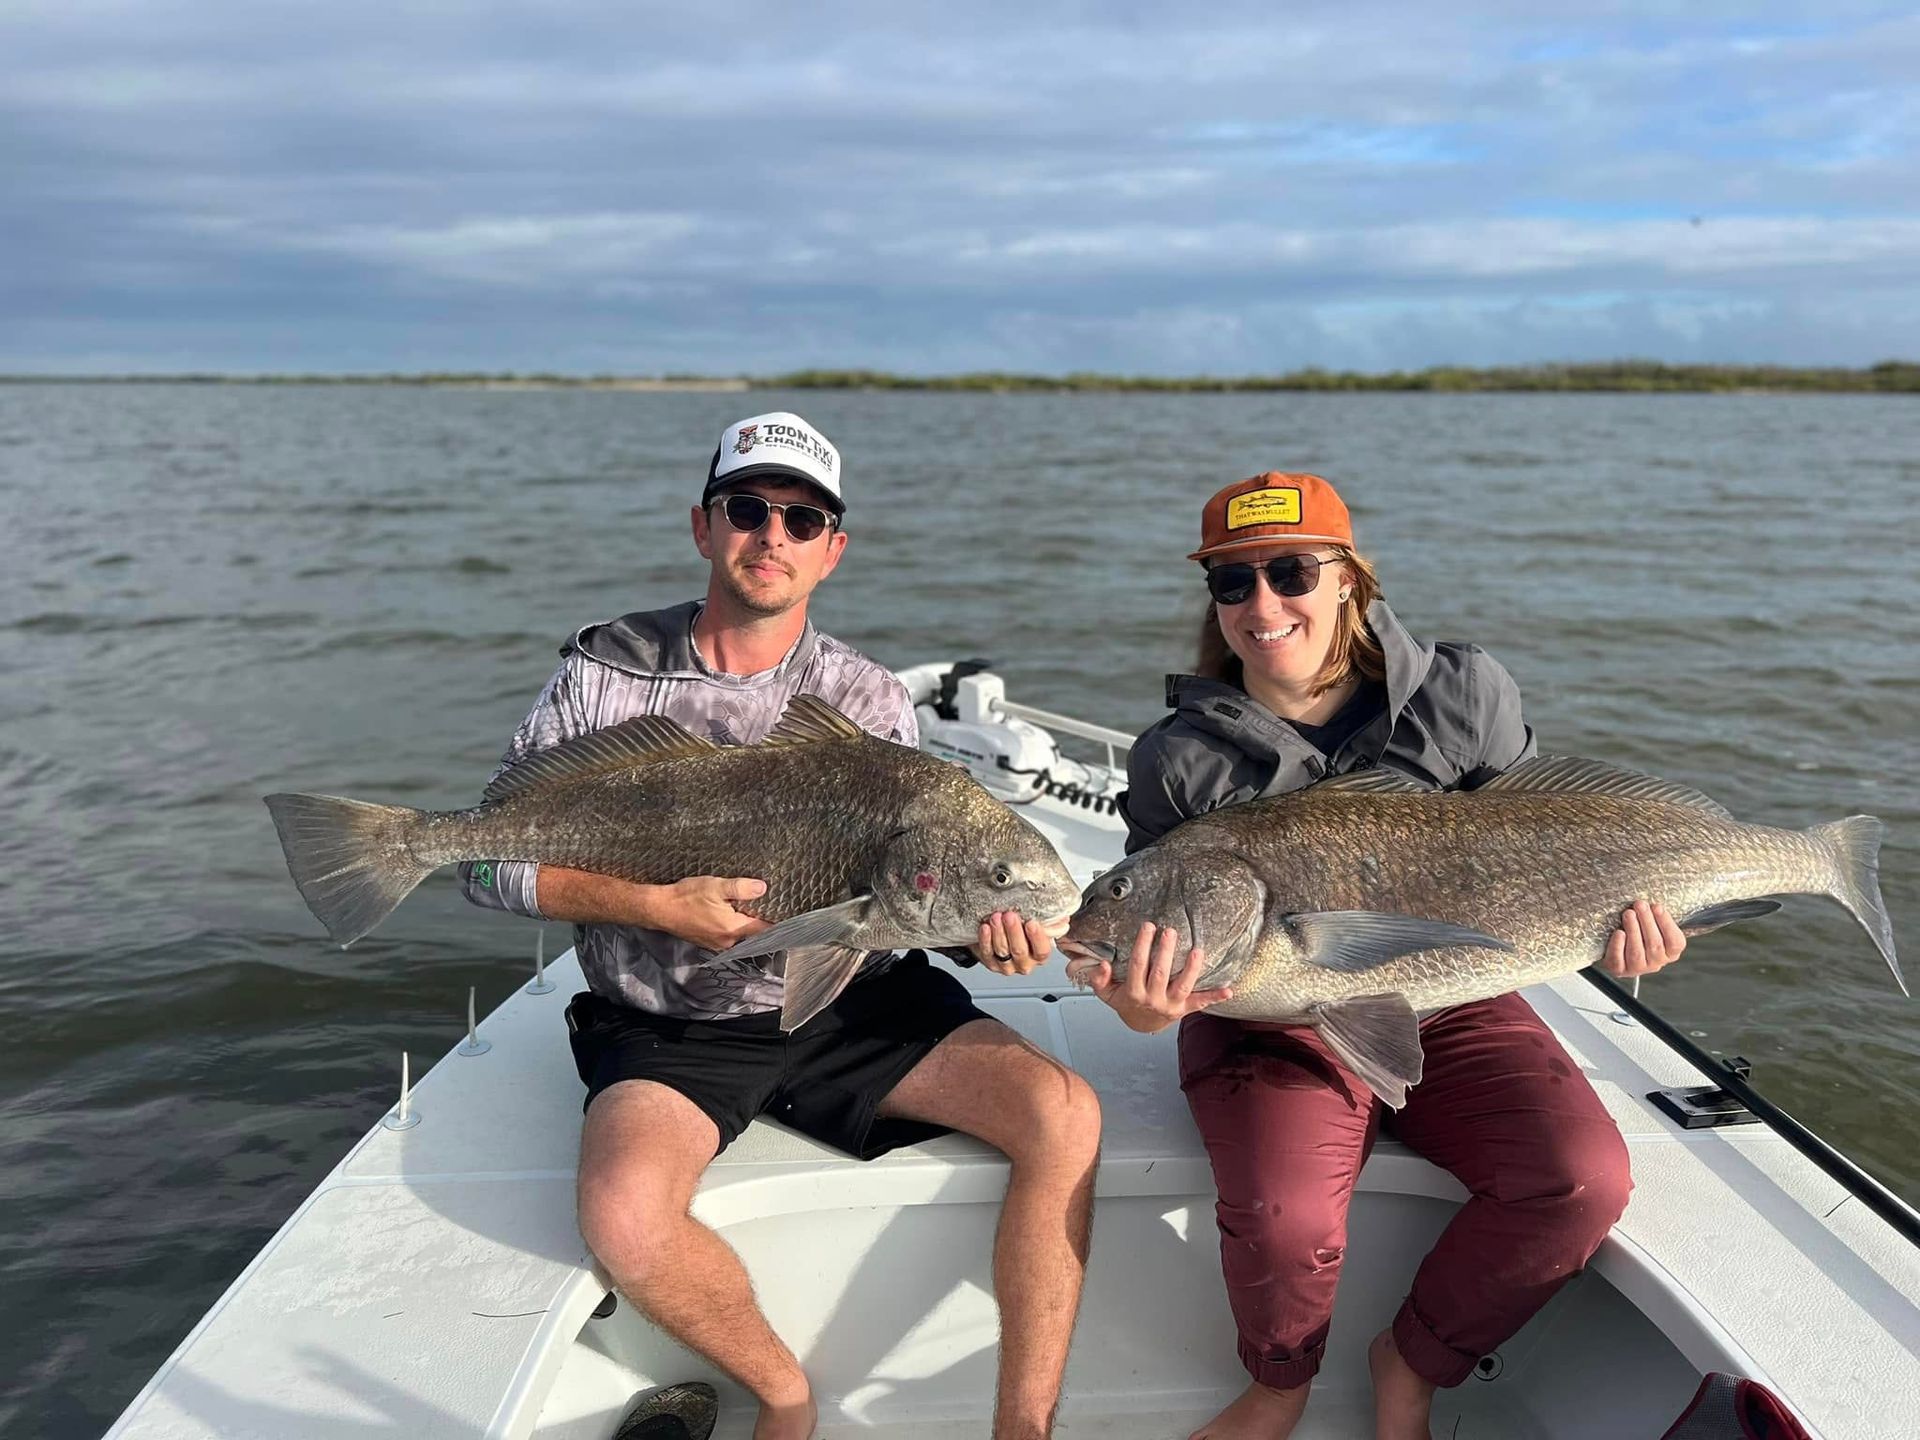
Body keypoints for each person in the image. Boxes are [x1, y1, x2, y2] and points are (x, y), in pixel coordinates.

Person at [461, 412, 1100, 1440]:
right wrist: (651, 906)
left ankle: (1022, 1429)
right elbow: (483, 862)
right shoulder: (603, 673)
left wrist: (986, 930)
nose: (773, 534)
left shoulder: (866, 697)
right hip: (672, 1026)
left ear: (831, 549)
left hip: (851, 997)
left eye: (802, 518)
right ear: (704, 526)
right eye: (748, 509)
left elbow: (913, 892)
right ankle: (786, 1394)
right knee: (623, 1216)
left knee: (1065, 1113)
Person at [1082, 472, 1684, 1440]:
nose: (1263, 605)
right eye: (1231, 584)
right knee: (1285, 1223)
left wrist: (1628, 921)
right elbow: (1141, 947)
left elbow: (1553, 832)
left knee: (1583, 1177)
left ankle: (1410, 1363)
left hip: (1454, 996)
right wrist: (1146, 1007)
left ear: (1350, 580)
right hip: (1266, 1015)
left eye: (1289, 571)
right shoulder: (1174, 762)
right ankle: (1278, 1388)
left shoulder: (1462, 692)